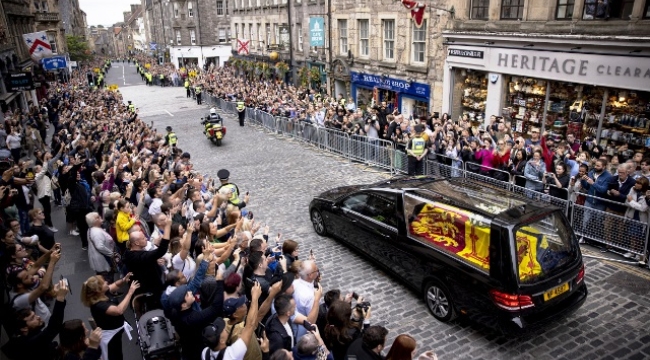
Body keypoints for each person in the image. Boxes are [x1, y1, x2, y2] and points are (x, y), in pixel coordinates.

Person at [1, 279, 69, 360]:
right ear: (24, 328)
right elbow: (53, 328)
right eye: (32, 318)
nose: (38, 317)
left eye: (34, 315)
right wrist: (60, 298)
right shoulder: (27, 344)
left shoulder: (31, 333)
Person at [170, 265, 226, 360]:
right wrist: (220, 282)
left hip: (187, 346)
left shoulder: (175, 310)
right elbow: (215, 308)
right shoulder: (193, 319)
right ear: (183, 305)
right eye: (187, 294)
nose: (191, 293)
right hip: (197, 351)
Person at [80, 274, 139, 360]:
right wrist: (130, 292)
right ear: (98, 290)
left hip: (116, 332)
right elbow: (119, 310)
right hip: (110, 336)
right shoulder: (99, 305)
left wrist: (123, 280)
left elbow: (116, 285)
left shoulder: (103, 293)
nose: (106, 282)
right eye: (103, 283)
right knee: (114, 356)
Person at [201, 282, 261, 360]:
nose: (224, 328)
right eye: (222, 330)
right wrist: (255, 298)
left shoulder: (205, 353)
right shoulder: (233, 354)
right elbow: (250, 325)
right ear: (222, 340)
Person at [122, 214, 171, 299]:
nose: (146, 239)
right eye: (143, 238)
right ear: (136, 243)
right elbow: (161, 250)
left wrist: (155, 260)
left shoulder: (129, 251)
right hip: (148, 290)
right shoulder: (138, 257)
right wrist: (168, 227)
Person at [86, 212, 116, 283]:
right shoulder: (96, 233)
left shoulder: (92, 229)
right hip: (103, 259)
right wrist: (111, 254)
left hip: (100, 258)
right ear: (95, 221)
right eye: (98, 217)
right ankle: (109, 291)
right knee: (106, 277)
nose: (100, 217)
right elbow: (99, 246)